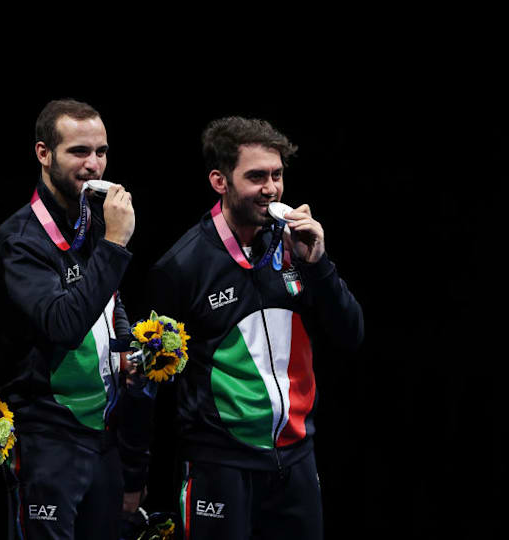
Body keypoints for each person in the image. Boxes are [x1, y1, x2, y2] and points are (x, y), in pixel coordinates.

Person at [148, 117, 364, 539]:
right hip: (219, 465)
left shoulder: (295, 245)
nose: (271, 189)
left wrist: (318, 265)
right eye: (256, 177)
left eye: (277, 175)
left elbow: (350, 334)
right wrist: (134, 475)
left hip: (296, 459)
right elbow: (152, 381)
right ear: (220, 181)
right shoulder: (181, 266)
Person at [0, 99, 152, 539]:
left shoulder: (93, 218)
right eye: (79, 151)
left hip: (103, 435)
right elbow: (63, 325)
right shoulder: (19, 239)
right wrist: (116, 244)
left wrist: (127, 347)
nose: (94, 165)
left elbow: (110, 302)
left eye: (101, 152)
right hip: (46, 438)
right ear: (44, 153)